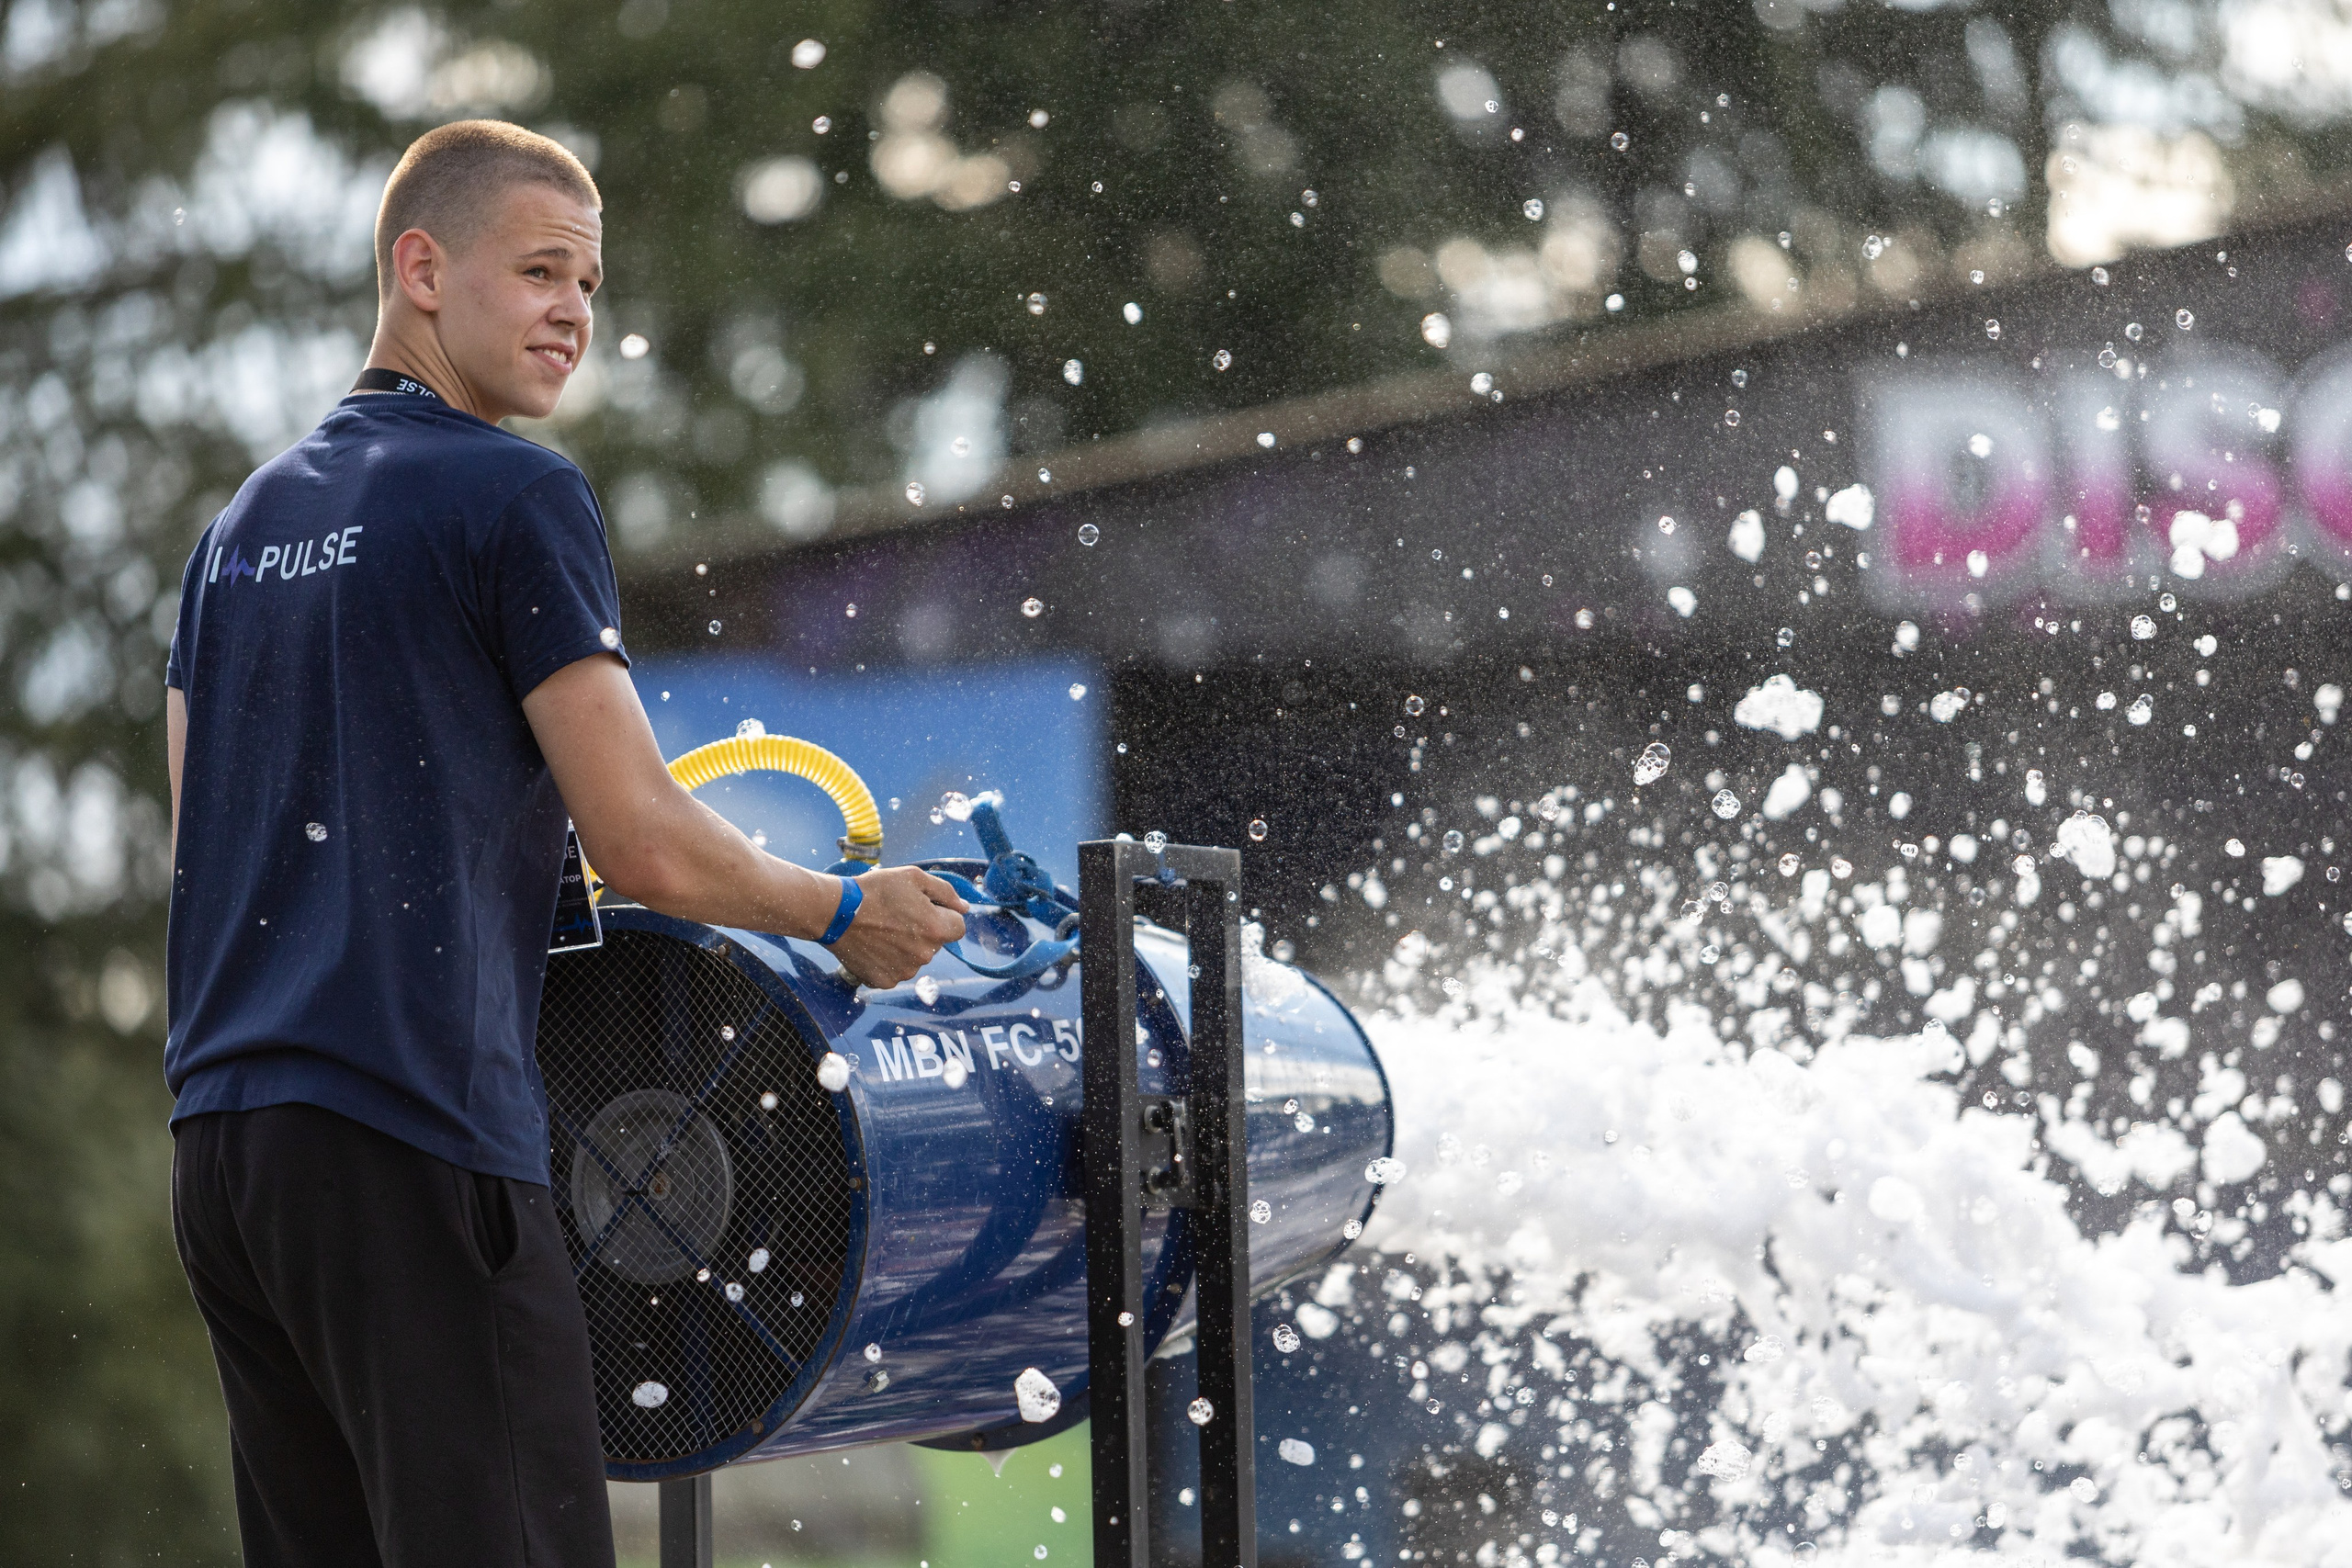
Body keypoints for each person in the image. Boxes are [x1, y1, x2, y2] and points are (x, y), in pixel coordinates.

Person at [161, 119, 969, 1567]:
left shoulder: (235, 533)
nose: (573, 316)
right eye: (539, 273)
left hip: (228, 1156)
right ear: (421, 269)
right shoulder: (513, 495)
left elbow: (210, 831)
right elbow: (646, 837)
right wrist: (843, 911)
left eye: (588, 288)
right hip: (413, 1132)